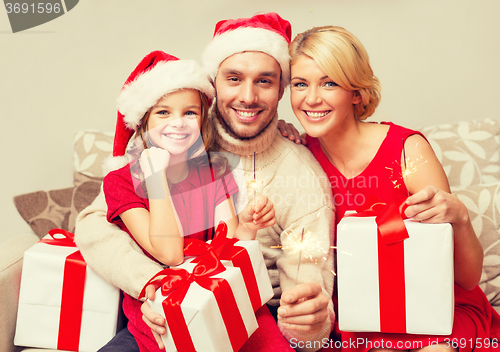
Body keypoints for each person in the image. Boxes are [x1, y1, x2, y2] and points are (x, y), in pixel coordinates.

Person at [75, 13, 335, 352]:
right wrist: (150, 286)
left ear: (281, 89)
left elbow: (308, 307)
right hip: (157, 312)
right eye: (233, 78)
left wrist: (310, 321)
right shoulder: (176, 136)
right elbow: (94, 224)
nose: (248, 97)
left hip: (248, 311)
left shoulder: (300, 175)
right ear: (213, 83)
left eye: (264, 82)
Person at [282, 25, 500, 351]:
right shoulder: (297, 157)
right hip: (360, 320)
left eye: (329, 82)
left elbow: (466, 279)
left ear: (356, 92)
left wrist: (460, 218)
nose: (311, 98)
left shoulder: (407, 149)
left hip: (436, 312)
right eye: (300, 84)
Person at [100, 50, 280, 352]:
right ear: (143, 121)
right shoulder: (121, 182)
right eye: (163, 113)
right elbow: (169, 253)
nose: (178, 123)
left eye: (189, 113)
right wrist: (155, 178)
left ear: (202, 118)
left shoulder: (212, 168)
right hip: (163, 308)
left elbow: (228, 246)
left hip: (218, 294)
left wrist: (247, 226)